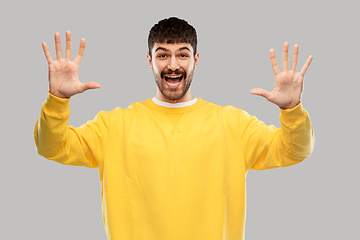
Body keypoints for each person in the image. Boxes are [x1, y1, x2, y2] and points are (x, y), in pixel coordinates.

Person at [34, 17, 314, 240]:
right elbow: (52, 146)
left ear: (196, 60)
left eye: (182, 55)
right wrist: (57, 100)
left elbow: (294, 150)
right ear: (149, 61)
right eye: (162, 55)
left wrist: (291, 110)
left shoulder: (233, 124)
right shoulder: (115, 125)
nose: (172, 65)